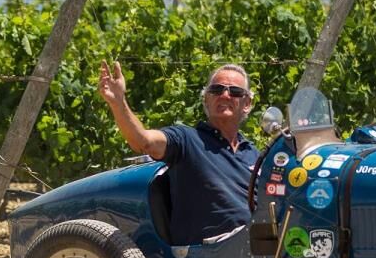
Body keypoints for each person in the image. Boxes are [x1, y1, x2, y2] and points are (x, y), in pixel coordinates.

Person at [98, 61, 259, 245]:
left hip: (258, 248)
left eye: (235, 92)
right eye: (217, 89)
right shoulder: (187, 139)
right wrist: (118, 102)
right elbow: (143, 141)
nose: (225, 95)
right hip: (212, 255)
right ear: (206, 99)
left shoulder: (254, 154)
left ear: (246, 103)